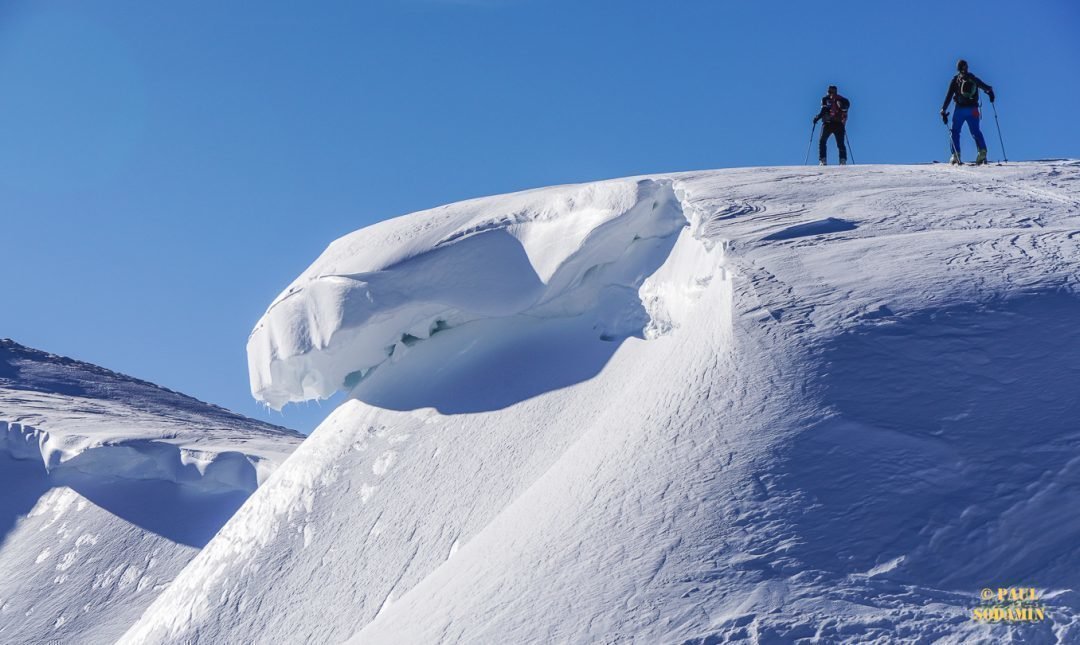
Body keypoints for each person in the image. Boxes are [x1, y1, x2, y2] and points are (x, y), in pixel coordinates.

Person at [940, 59, 995, 165]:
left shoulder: (956, 80)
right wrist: (990, 92)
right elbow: (985, 86)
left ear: (958, 69)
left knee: (955, 131)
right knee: (976, 131)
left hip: (959, 110)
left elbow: (949, 96)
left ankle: (956, 155)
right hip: (973, 110)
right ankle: (982, 153)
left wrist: (943, 110)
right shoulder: (972, 78)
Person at [813, 85, 850, 165]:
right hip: (839, 124)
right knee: (840, 143)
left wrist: (817, 118)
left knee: (822, 141)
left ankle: (823, 160)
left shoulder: (825, 99)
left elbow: (824, 110)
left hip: (828, 123)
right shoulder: (842, 99)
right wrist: (843, 123)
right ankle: (842, 160)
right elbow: (845, 112)